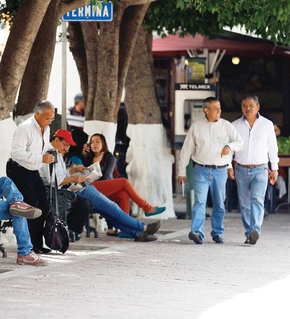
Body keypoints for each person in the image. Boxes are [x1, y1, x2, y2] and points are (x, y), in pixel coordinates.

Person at [39, 129, 161, 242]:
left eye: (68, 146)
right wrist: (75, 178)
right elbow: (53, 180)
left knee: (110, 209)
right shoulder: (50, 155)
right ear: (56, 140)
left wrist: (73, 170)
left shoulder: (58, 155)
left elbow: (62, 174)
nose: (67, 149)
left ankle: (137, 232)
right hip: (67, 192)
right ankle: (143, 227)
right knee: (112, 206)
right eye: (65, 145)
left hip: (72, 189)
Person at [178, 97, 243, 245]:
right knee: (199, 202)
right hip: (200, 169)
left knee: (219, 203)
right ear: (206, 110)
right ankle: (197, 232)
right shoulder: (196, 127)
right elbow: (186, 150)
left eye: (220, 108)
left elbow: (240, 142)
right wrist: (181, 171)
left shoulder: (226, 126)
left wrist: (229, 147)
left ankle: (217, 232)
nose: (219, 111)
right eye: (215, 108)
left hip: (220, 171)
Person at [84, 133, 166, 236]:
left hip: (103, 189)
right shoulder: (86, 158)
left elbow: (106, 177)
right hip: (90, 190)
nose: (94, 144)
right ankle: (146, 207)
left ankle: (125, 230)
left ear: (103, 144)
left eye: (97, 141)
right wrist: (94, 163)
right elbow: (84, 177)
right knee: (123, 182)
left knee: (123, 195)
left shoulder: (109, 157)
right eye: (92, 142)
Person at [7, 100, 57, 254]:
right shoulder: (25, 128)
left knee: (43, 205)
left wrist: (51, 149)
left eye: (52, 119)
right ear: (37, 114)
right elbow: (16, 153)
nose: (49, 122)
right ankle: (27, 247)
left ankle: (37, 244)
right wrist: (41, 158)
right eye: (47, 118)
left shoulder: (45, 128)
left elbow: (43, 145)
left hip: (32, 170)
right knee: (31, 205)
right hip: (18, 169)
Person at [229, 95, 279, 245]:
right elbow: (230, 148)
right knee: (244, 204)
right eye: (244, 105)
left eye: (251, 105)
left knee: (257, 199)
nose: (248, 108)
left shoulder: (267, 125)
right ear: (241, 108)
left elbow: (272, 148)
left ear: (258, 107)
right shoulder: (235, 125)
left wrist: (274, 168)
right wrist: (228, 166)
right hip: (240, 169)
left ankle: (255, 229)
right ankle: (250, 232)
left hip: (261, 169)